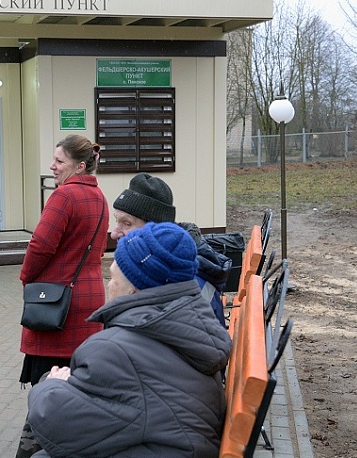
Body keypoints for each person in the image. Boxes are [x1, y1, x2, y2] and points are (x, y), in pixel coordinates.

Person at [27, 222, 232, 457]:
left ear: (133, 289)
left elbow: (55, 423)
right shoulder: (191, 328)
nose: (108, 285)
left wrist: (52, 384)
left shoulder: (116, 350)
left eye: (113, 278)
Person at [16, 134, 109, 457]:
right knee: (75, 377)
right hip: (90, 296)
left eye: (59, 161)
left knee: (48, 381)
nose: (52, 166)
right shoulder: (99, 198)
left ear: (79, 166)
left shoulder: (64, 196)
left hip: (57, 301)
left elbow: (40, 245)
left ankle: (35, 445)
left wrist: (26, 277)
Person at [111, 172, 232, 327]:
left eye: (127, 223)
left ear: (154, 230)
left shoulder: (189, 284)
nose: (114, 233)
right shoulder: (160, 269)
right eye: (117, 221)